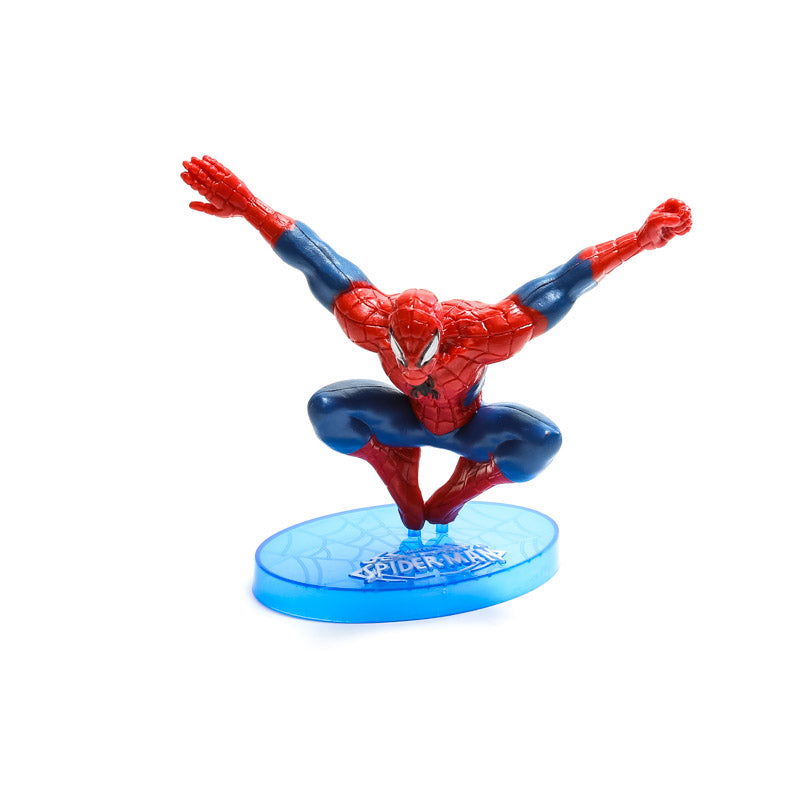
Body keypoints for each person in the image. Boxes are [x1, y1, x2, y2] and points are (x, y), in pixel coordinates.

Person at [182, 156, 691, 532]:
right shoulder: (368, 320)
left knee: (543, 440)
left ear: (446, 339)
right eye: (398, 354)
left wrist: (640, 239)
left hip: (472, 430)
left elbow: (565, 283)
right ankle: (392, 461)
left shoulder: (488, 332)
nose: (409, 369)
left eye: (422, 356)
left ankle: (465, 485)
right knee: (326, 408)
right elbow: (316, 259)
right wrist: (248, 206)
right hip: (402, 421)